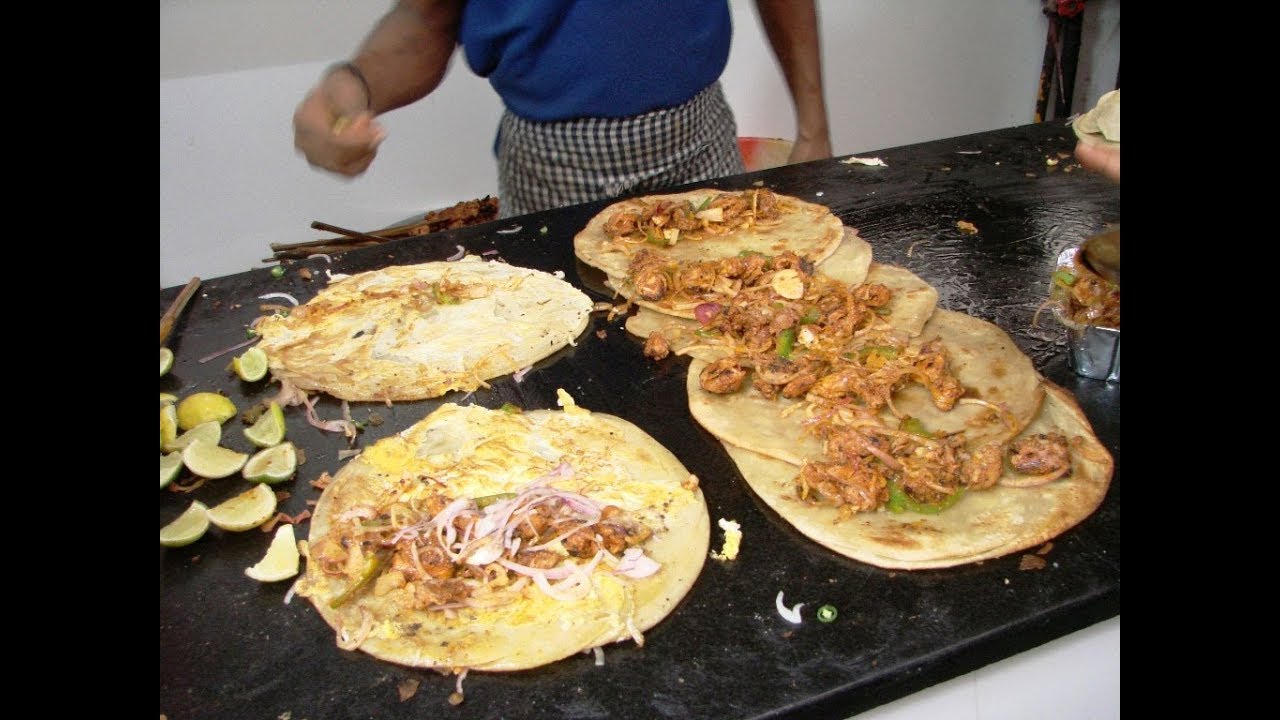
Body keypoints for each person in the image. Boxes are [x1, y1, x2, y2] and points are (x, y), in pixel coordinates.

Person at [293, 0, 832, 218]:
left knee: (730, 345)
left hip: (699, 144)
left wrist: (814, 128)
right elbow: (429, 18)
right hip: (550, 171)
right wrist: (350, 86)